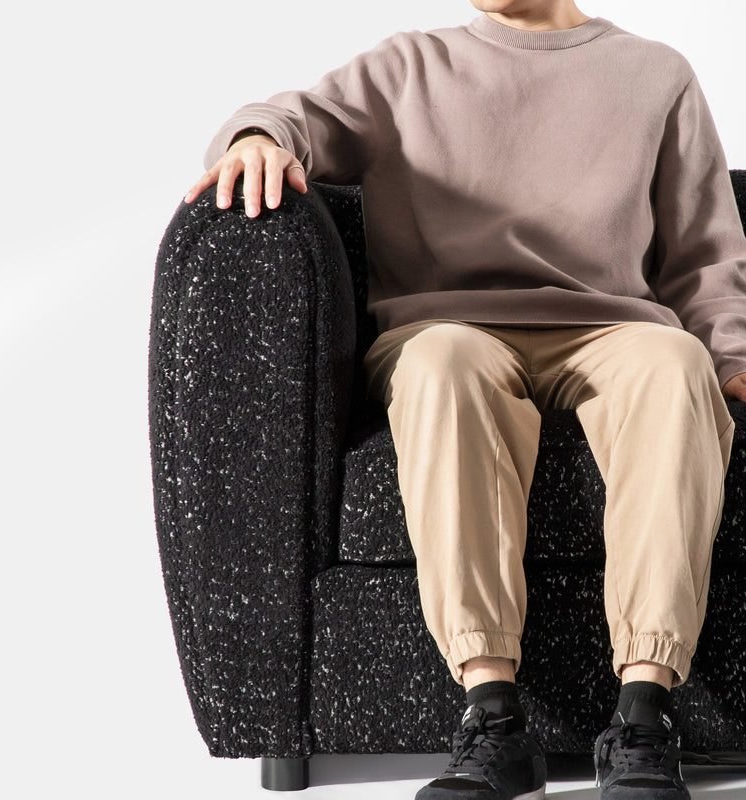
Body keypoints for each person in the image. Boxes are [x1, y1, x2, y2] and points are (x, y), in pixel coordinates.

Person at [184, 1, 746, 797]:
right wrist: (256, 139)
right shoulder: (407, 66)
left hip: (608, 327)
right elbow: (290, 116)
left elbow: (704, 255)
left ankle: (645, 715)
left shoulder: (657, 75)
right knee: (441, 365)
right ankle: (493, 717)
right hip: (447, 326)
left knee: (673, 364)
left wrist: (730, 359)